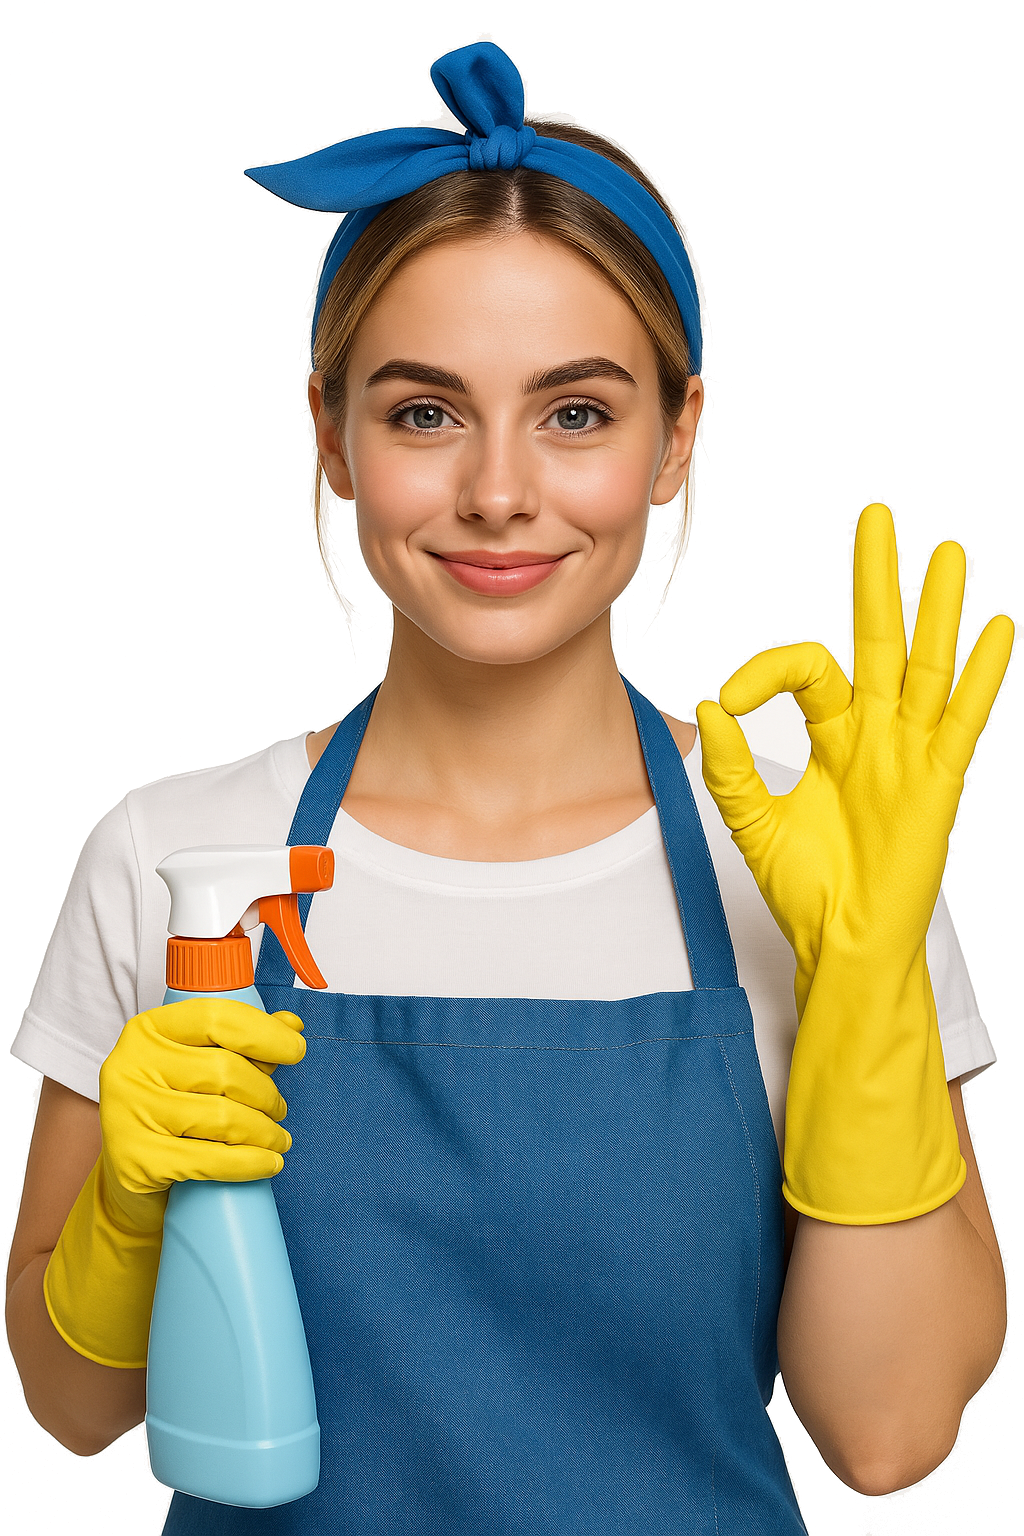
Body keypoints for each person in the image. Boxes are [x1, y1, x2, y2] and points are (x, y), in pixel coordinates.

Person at [5, 39, 1012, 1536]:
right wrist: (126, 1214)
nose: (496, 490)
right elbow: (75, 1409)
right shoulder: (178, 854)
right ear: (331, 434)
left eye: (578, 413)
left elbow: (884, 1434)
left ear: (676, 439)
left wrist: (866, 982)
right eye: (423, 412)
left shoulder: (813, 859)